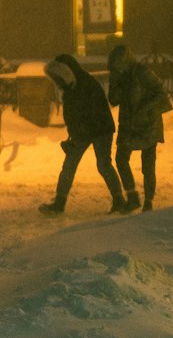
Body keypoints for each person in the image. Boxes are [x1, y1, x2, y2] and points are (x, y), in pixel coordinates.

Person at [39, 54, 129, 217]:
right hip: (85, 132)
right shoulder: (70, 88)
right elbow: (74, 117)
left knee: (102, 165)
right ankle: (59, 203)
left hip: (100, 130)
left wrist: (76, 135)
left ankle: (119, 200)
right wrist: (72, 136)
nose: (56, 82)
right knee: (70, 165)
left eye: (58, 77)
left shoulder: (86, 85)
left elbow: (91, 114)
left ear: (65, 73)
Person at [108, 44, 173, 213]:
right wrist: (114, 80)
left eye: (119, 65)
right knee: (121, 159)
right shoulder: (119, 77)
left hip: (148, 123)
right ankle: (132, 196)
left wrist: (145, 108)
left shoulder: (142, 73)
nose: (118, 68)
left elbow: (161, 94)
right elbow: (113, 100)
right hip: (129, 124)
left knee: (148, 164)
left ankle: (149, 201)